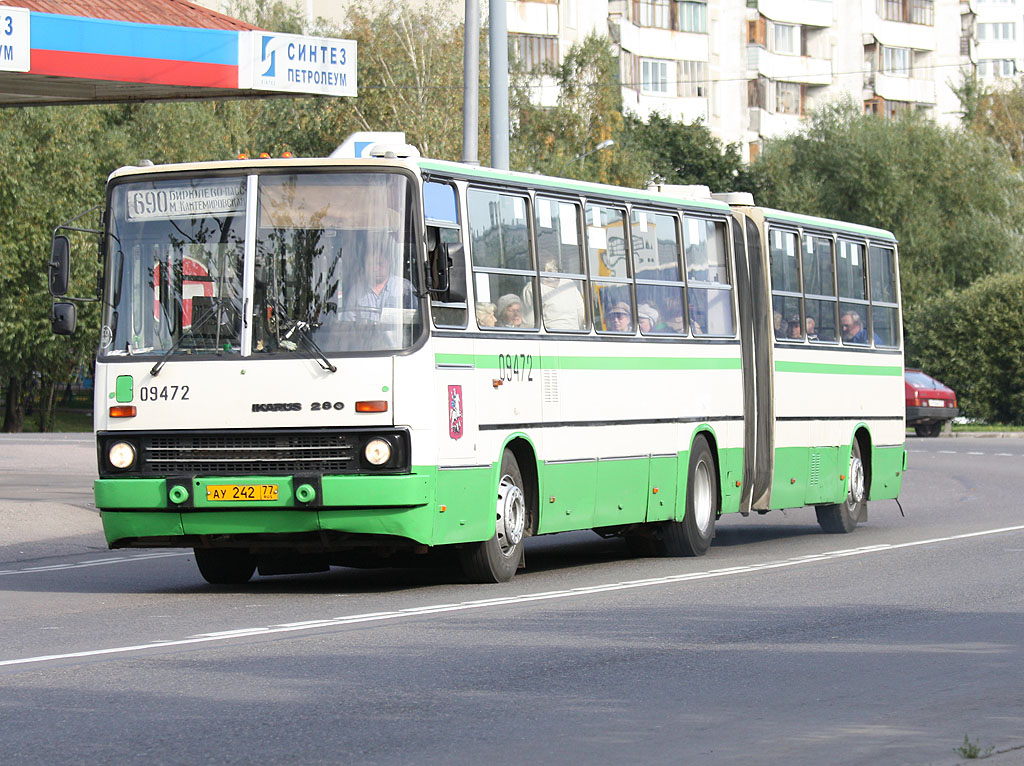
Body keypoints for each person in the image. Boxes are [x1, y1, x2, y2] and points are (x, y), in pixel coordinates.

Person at [523, 259, 585, 330]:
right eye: (543, 270)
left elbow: (529, 322)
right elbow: (530, 321)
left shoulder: (569, 284)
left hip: (556, 336)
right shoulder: (532, 288)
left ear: (556, 270)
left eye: (549, 270)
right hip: (569, 335)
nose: (546, 273)